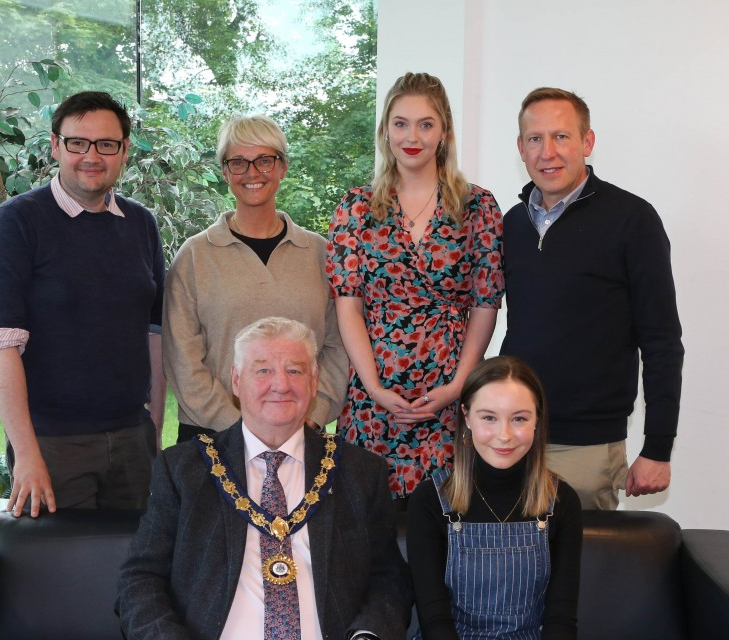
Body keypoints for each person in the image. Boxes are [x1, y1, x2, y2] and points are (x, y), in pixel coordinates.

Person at [90, 316, 412, 640]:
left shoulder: (359, 471)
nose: (280, 383)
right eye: (262, 369)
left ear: (315, 380)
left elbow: (388, 577)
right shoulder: (185, 470)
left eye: (295, 370)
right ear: (237, 382)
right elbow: (141, 578)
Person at [0, 90, 165, 517]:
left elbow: (156, 332)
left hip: (134, 440)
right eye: (78, 142)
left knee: (134, 571)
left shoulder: (141, 225)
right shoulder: (16, 224)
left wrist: (156, 426)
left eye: (106, 144)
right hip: (53, 445)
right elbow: (0, 343)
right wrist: (26, 453)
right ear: (56, 146)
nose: (91, 156)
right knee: (61, 577)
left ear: (124, 151)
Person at [401, 356, 584, 640]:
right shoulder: (431, 500)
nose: (504, 435)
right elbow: (434, 621)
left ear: (538, 423)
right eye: (489, 418)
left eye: (519, 419)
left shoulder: (563, 503)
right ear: (465, 418)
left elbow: (561, 621)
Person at [501, 86, 684, 510]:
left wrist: (657, 447)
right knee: (507, 571)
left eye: (561, 136)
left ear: (587, 142)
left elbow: (661, 341)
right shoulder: (511, 224)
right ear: (521, 149)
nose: (548, 152)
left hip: (586, 447)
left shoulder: (632, 220)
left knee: (581, 574)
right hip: (509, 438)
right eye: (535, 139)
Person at [326, 72, 504, 504]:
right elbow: (347, 306)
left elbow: (485, 305)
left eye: (426, 124)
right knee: (364, 533)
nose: (413, 136)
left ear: (444, 132)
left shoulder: (477, 206)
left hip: (446, 400)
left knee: (444, 534)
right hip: (374, 398)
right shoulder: (356, 207)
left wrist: (458, 386)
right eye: (401, 123)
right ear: (385, 130)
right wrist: (374, 389)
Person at [163, 114, 348, 443]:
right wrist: (243, 432)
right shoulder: (194, 257)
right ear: (224, 172)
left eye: (264, 160)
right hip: (212, 440)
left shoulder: (321, 254)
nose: (252, 173)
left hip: (300, 436)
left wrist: (315, 414)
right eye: (239, 162)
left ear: (282, 167)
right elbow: (182, 362)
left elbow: (338, 347)